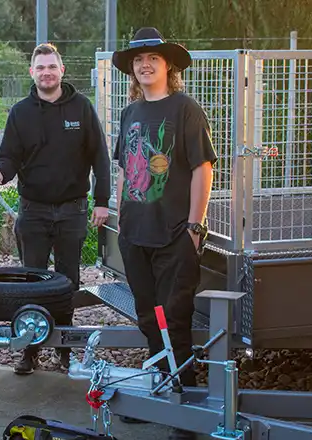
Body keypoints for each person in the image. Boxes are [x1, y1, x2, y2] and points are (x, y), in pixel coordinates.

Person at [111, 28, 217, 440]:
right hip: (135, 234)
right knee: (147, 318)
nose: (145, 64)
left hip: (175, 235)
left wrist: (194, 226)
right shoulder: (130, 112)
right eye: (138, 60)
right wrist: (121, 218)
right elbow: (124, 167)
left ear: (167, 65)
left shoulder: (184, 109)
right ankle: (157, 393)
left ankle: (185, 408)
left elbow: (202, 168)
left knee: (175, 320)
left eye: (153, 58)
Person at [0, 43, 111, 375]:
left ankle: (65, 349)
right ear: (32, 72)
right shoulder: (20, 112)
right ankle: (30, 350)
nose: (46, 72)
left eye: (52, 67)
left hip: (72, 210)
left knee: (67, 281)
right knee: (30, 280)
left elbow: (100, 158)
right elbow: (8, 157)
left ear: (62, 71)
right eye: (40, 67)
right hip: (34, 210)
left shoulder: (82, 108)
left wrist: (102, 201)